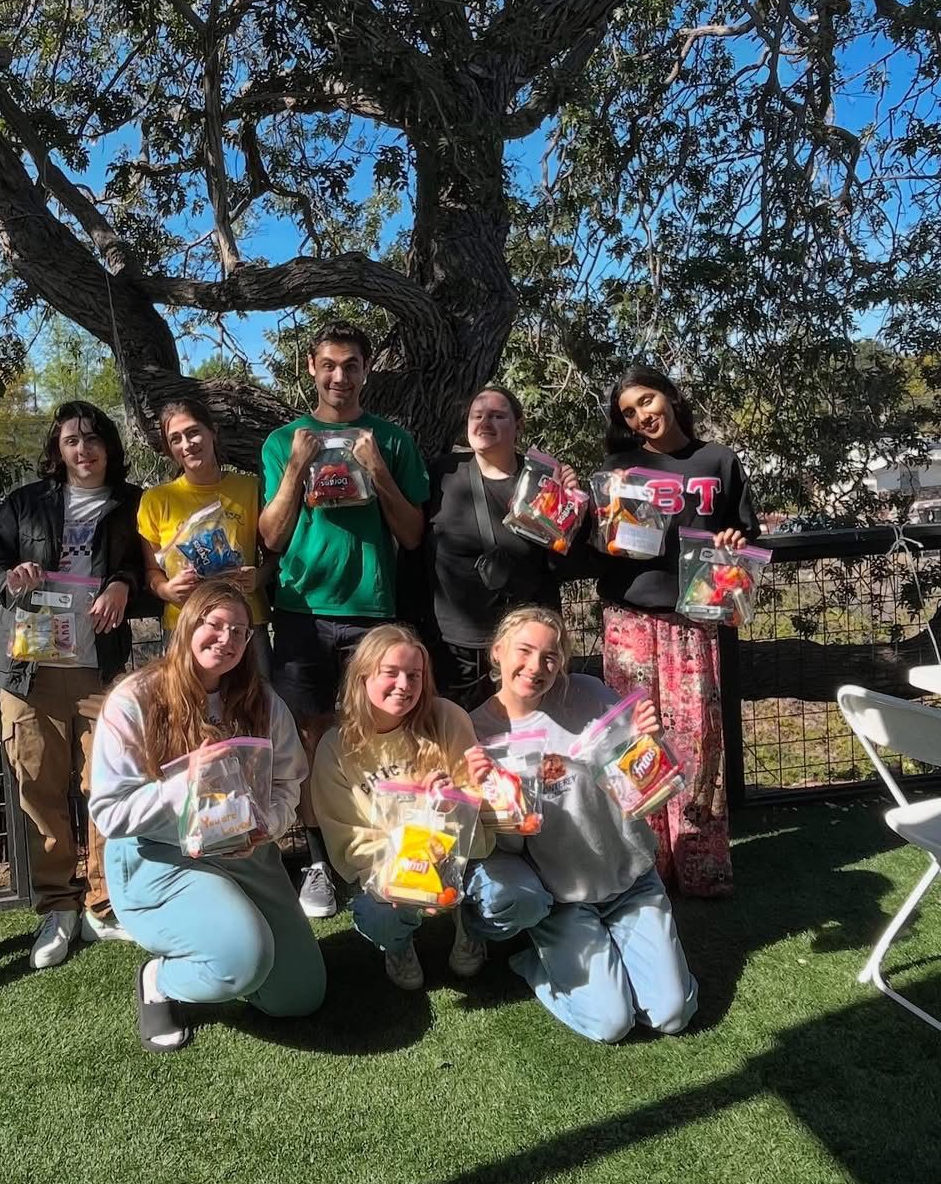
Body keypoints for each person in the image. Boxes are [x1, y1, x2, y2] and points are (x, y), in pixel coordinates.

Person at [89, 581, 326, 1051]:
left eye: (239, 631)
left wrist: (267, 827)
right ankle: (161, 978)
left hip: (243, 851)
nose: (227, 639)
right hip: (160, 856)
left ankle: (236, 948)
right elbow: (109, 813)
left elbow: (287, 783)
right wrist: (186, 784)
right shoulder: (135, 699)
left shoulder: (262, 700)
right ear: (186, 626)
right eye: (214, 624)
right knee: (242, 958)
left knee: (300, 995)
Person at [260, 320, 430, 920]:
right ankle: (317, 864)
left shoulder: (392, 440)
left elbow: (412, 534)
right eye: (329, 364)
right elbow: (271, 538)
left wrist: (376, 469)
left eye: (351, 365)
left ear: (366, 370)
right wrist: (295, 470)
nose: (340, 376)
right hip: (302, 612)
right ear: (311, 368)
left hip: (372, 612)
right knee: (309, 739)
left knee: (374, 738)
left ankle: (377, 853)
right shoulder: (284, 441)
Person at [468, 605, 698, 1043]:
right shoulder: (479, 733)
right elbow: (508, 849)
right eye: (524, 651)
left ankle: (617, 960)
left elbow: (641, 783)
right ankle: (535, 966)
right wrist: (498, 808)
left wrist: (650, 739)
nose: (536, 667)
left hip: (632, 881)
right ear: (497, 651)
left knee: (672, 1015)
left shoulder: (589, 694)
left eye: (550, 657)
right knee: (612, 1024)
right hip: (564, 898)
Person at [0, 402, 151, 969]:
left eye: (93, 438)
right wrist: (13, 578)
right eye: (72, 440)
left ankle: (103, 903)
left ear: (109, 446)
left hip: (100, 668)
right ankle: (58, 906)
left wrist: (123, 583)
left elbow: (150, 568)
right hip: (29, 670)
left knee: (107, 785)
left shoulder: (134, 504)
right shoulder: (24, 503)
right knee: (39, 788)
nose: (83, 449)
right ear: (57, 449)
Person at [596, 364, 760, 898]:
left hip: (695, 622)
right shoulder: (619, 468)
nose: (641, 416)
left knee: (698, 741)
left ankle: (700, 865)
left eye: (646, 400)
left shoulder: (719, 460)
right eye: (628, 412)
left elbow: (747, 537)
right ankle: (645, 864)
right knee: (636, 742)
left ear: (668, 396)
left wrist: (734, 542)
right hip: (628, 619)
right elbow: (600, 544)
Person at [311, 624, 549, 990]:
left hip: (464, 858)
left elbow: (477, 804)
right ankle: (399, 945)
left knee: (525, 901)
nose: (404, 685)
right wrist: (410, 876)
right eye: (391, 673)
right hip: (392, 868)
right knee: (379, 918)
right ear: (362, 676)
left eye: (414, 675)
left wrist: (451, 805)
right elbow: (349, 840)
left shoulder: (446, 717)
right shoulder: (335, 748)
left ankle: (471, 927)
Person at [425, 384, 584, 710]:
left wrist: (569, 511)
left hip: (524, 648)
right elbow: (415, 552)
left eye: (497, 416)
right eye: (477, 416)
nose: (485, 423)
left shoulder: (542, 481)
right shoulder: (443, 473)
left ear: (518, 425)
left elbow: (562, 566)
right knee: (461, 733)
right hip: (456, 646)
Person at [138, 397, 273, 676]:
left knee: (256, 700)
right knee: (185, 701)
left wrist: (258, 577)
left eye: (193, 432)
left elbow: (275, 556)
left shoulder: (251, 488)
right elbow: (151, 571)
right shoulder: (156, 500)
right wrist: (166, 590)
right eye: (175, 439)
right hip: (185, 624)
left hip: (245, 623)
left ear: (213, 432)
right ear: (169, 448)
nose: (187, 444)